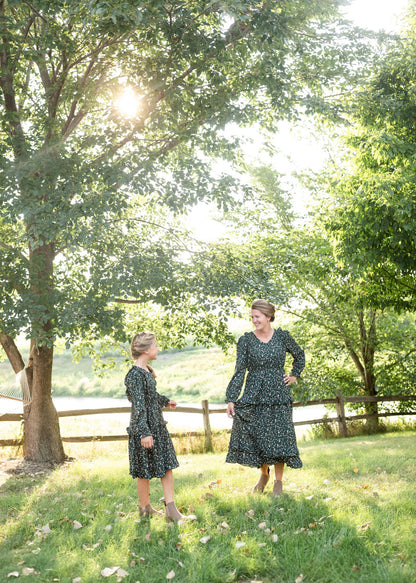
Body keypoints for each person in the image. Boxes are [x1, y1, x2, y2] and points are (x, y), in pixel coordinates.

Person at [226, 299, 305, 497]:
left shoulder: (282, 337)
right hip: (255, 393)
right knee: (258, 435)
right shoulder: (246, 340)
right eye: (252, 317)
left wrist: (294, 375)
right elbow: (240, 370)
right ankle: (264, 475)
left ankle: (278, 482)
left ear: (268, 317)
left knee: (280, 436)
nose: (254, 320)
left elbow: (300, 355)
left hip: (279, 392)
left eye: (257, 317)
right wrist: (231, 398)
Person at [125, 331, 187, 521]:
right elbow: (138, 405)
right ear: (145, 349)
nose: (158, 348)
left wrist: (165, 401)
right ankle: (145, 509)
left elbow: (150, 398)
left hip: (157, 425)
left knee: (167, 465)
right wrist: (144, 432)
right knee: (143, 470)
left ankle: (171, 509)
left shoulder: (146, 371)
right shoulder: (135, 375)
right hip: (144, 428)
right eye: (155, 345)